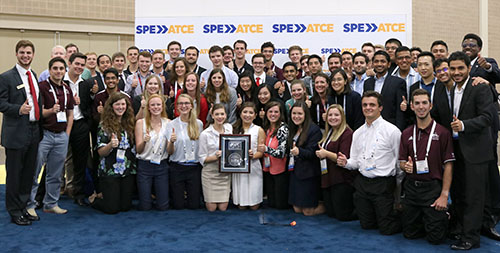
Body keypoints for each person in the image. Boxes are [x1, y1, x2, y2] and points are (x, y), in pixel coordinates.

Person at [337, 91, 402, 235]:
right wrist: (345, 162)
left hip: (383, 184)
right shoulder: (357, 133)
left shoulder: (392, 131)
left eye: (372, 105)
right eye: (365, 105)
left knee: (386, 229)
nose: (368, 108)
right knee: (367, 225)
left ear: (380, 108)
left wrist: (397, 192)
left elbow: (399, 162)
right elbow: (355, 161)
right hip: (362, 183)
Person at [447, 51, 494, 250]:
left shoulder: (480, 87)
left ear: (468, 68)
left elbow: (487, 118)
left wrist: (464, 125)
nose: (456, 72)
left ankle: (471, 238)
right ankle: (461, 231)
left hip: (476, 153)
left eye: (460, 68)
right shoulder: (450, 89)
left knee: (475, 197)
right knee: (459, 195)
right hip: (457, 151)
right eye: (453, 68)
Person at [399, 89, 454, 245]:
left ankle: (445, 215)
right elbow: (402, 162)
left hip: (432, 189)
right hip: (411, 189)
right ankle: (425, 218)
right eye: (417, 103)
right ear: (411, 106)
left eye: (424, 103)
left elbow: (449, 165)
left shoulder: (442, 133)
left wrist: (444, 194)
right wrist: (406, 167)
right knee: (409, 234)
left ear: (431, 105)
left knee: (436, 238)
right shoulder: (406, 133)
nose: (421, 107)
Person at [0, 40, 42, 225]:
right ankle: (14, 211)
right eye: (22, 52)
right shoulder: (6, 77)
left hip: (33, 131)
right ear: (16, 54)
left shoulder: (33, 75)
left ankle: (24, 206)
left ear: (33, 55)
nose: (26, 55)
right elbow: (1, 103)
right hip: (16, 133)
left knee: (28, 174)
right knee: (15, 175)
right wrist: (19, 109)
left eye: (29, 53)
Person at [30, 57, 75, 216]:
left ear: (65, 71)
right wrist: (50, 111)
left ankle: (50, 203)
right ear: (49, 70)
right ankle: (30, 204)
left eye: (61, 69)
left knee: (55, 174)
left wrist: (67, 134)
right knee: (35, 171)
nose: (58, 71)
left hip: (61, 136)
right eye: (55, 68)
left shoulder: (67, 89)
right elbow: (36, 112)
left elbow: (70, 114)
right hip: (44, 135)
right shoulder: (41, 87)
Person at [89, 92, 136, 214]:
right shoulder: (104, 125)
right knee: (112, 209)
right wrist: (110, 145)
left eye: (123, 104)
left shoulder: (130, 123)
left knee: (125, 207)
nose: (120, 107)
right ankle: (94, 199)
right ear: (111, 106)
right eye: (117, 104)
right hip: (110, 171)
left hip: (127, 170)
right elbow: (101, 152)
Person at [315, 104, 356, 221]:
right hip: (328, 177)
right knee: (331, 213)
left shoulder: (347, 133)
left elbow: (344, 158)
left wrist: (326, 154)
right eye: (330, 115)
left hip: (341, 179)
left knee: (342, 216)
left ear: (342, 117)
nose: (333, 118)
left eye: (336, 115)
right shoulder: (329, 132)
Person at [166, 94, 204, 209]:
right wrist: (171, 142)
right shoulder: (171, 125)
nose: (184, 106)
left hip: (194, 168)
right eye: (181, 103)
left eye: (186, 103)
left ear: (192, 106)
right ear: (177, 107)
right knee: (178, 205)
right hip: (177, 167)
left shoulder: (199, 124)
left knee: (194, 206)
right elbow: (169, 152)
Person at [288, 101, 324, 216]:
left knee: (308, 212)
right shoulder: (292, 128)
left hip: (309, 174)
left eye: (300, 114)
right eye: (294, 113)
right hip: (295, 172)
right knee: (297, 209)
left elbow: (313, 153)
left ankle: (329, 206)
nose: (296, 116)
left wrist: (299, 151)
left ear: (306, 115)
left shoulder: (314, 130)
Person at [135, 94, 170, 211]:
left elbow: (170, 151)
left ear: (162, 107)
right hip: (145, 166)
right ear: (148, 108)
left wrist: (172, 142)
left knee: (163, 206)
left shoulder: (168, 123)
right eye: (153, 105)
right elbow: (138, 150)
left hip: (162, 165)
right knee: (145, 207)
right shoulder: (141, 123)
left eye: (158, 105)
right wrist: (144, 142)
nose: (156, 107)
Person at [199, 104, 233, 211]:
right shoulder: (205, 134)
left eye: (222, 114)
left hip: (225, 173)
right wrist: (215, 157)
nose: (220, 117)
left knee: (223, 208)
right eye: (217, 114)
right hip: (210, 173)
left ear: (226, 115)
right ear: (212, 115)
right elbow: (202, 158)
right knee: (211, 209)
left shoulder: (229, 128)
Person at [232, 102, 265, 210]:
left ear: (255, 115)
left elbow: (261, 152)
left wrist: (253, 156)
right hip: (239, 168)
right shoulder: (234, 129)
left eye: (251, 112)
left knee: (254, 207)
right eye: (245, 112)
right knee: (241, 206)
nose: (248, 115)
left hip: (253, 166)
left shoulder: (259, 130)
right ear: (240, 114)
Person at [258, 101, 289, 209]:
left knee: (280, 205)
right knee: (271, 204)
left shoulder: (283, 129)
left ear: (281, 113)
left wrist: (266, 149)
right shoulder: (266, 128)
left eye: (276, 112)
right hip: (268, 169)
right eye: (270, 111)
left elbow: (281, 153)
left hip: (280, 171)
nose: (273, 114)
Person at [364, 50, 406, 130]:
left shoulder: (398, 82)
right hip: (370, 126)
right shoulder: (368, 82)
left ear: (389, 64)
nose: (379, 64)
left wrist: (399, 130)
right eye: (376, 61)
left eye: (382, 61)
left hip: (390, 127)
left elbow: (400, 111)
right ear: (372, 64)